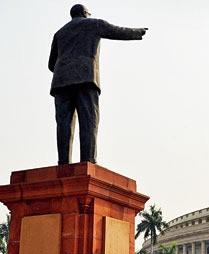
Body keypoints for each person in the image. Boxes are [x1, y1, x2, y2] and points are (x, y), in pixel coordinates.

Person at [49, 4, 147, 165]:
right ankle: (88, 161)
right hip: (86, 78)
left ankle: (63, 162)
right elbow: (117, 31)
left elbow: (51, 63)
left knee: (63, 123)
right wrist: (138, 32)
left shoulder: (60, 33)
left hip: (61, 82)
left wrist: (66, 68)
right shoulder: (93, 24)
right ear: (85, 13)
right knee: (89, 120)